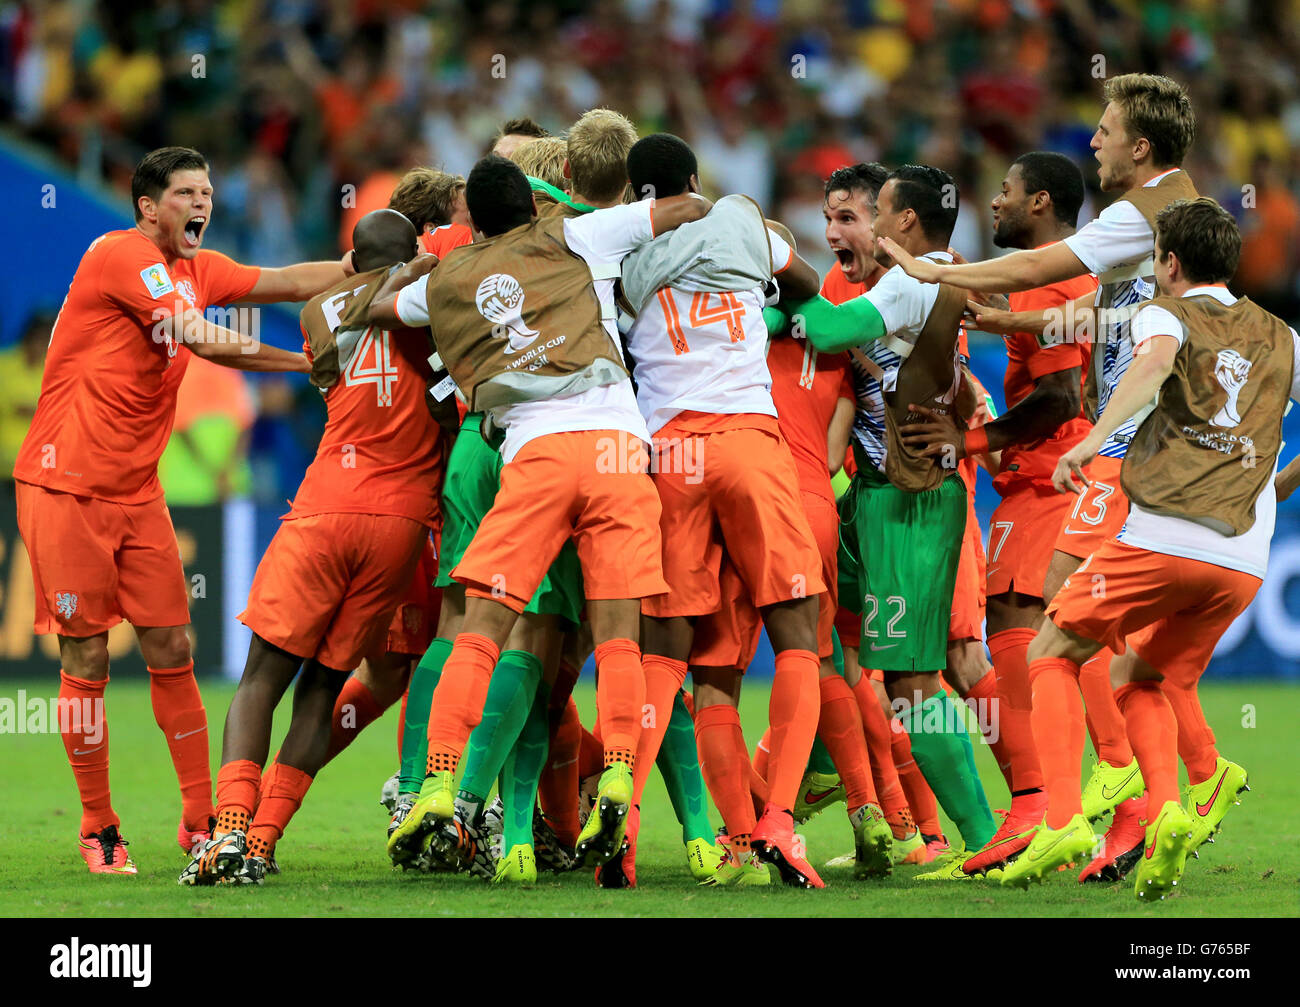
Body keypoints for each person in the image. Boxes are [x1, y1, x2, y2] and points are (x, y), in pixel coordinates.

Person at [12, 145, 353, 875]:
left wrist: (374, 269)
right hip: (64, 486)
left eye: (207, 190)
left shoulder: (198, 269)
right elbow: (198, 336)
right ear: (147, 205)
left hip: (137, 492)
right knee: (89, 654)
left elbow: (289, 279)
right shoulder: (120, 253)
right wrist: (305, 365)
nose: (201, 202)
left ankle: (201, 821)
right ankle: (100, 824)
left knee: (173, 650)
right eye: (185, 192)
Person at [371, 153, 709, 876]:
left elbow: (375, 306)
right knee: (619, 632)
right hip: (619, 450)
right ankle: (619, 768)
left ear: (470, 221)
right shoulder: (576, 237)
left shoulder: (447, 281)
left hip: (535, 455)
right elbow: (683, 209)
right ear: (530, 204)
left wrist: (413, 271)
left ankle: (437, 783)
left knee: (483, 627)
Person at [897, 73, 1201, 863]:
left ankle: (1093, 795)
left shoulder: (1133, 219)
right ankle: (1133, 800)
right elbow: (1090, 314)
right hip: (1094, 462)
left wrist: (941, 275)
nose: (1092, 141)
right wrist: (997, 320)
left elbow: (1057, 351)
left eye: (1103, 130)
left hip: (1087, 466)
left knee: (1061, 636)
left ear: (1140, 145)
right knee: (1072, 641)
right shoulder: (1162, 215)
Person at [1002, 197, 1296, 898]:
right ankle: (1169, 814)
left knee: (1050, 649)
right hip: (1245, 559)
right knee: (1140, 675)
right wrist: (1276, 487)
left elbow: (1154, 363)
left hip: (1164, 534)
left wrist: (1093, 440)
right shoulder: (1285, 334)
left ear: (1168, 264)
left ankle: (1065, 819)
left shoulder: (1164, 312)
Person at [181, 210, 444, 885]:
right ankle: (265, 841)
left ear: (350, 262)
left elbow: (332, 337)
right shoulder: (437, 310)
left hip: (325, 504)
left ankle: (230, 830)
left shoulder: (322, 310)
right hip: (401, 523)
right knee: (323, 689)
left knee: (261, 677)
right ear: (414, 252)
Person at [613, 133, 834, 889]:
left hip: (668, 450)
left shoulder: (615, 258)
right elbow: (808, 284)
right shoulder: (740, 219)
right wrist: (767, 308)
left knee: (673, 655)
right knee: (797, 632)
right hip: (747, 435)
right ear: (693, 180)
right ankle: (776, 822)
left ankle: (631, 823)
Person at [778, 165, 1000, 877]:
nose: (841, 229)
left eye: (859, 214)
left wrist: (761, 300)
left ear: (898, 221)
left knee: (918, 679)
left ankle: (988, 831)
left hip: (913, 504)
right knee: (855, 656)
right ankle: (888, 808)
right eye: (835, 216)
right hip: (874, 499)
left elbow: (832, 326)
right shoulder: (926, 274)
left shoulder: (910, 280)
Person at [899, 151, 1098, 874]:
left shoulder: (1051, 276)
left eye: (1007, 193)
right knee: (1069, 647)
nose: (995, 203)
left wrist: (972, 439)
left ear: (1039, 201)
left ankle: (1038, 806)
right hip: (1066, 478)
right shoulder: (1060, 277)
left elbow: (1059, 399)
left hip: (1049, 479)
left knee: (1016, 636)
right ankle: (1086, 806)